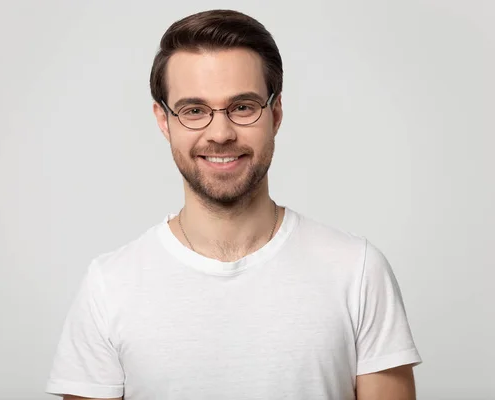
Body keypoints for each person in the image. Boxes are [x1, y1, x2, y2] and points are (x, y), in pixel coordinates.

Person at [45, 9, 422, 400]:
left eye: (243, 107)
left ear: (275, 113)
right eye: (194, 111)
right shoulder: (109, 286)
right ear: (163, 120)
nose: (221, 133)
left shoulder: (357, 270)